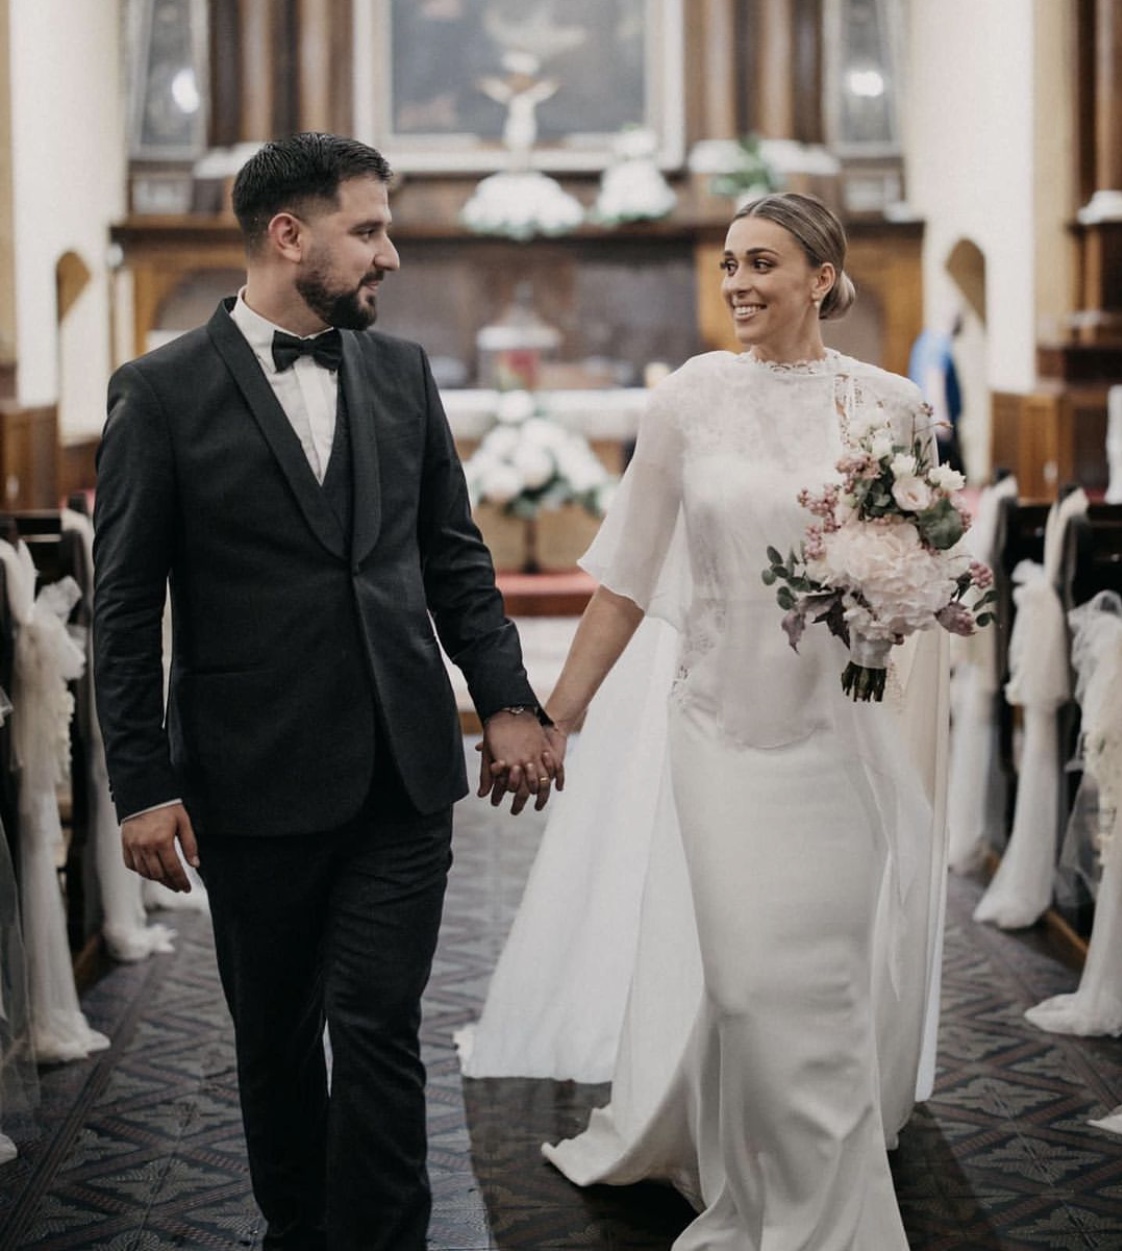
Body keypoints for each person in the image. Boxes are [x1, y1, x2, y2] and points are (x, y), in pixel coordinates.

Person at [92, 131, 561, 1251]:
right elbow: (124, 606)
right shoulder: (160, 392)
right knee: (276, 1038)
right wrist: (142, 783)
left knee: (381, 1026)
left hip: (403, 769)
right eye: (369, 230)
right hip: (251, 776)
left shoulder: (401, 374)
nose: (389, 255)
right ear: (288, 234)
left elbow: (454, 558)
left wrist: (507, 700)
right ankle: (298, 1231)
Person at [476, 192, 950, 1248]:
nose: (738, 282)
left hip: (840, 736)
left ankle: (820, 1216)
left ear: (821, 278)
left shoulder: (893, 409)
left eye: (762, 264)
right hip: (724, 734)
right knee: (744, 984)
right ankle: (756, 1178)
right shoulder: (691, 397)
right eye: (731, 263)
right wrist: (558, 717)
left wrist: (895, 608)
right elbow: (625, 581)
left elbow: (921, 578)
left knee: (821, 984)